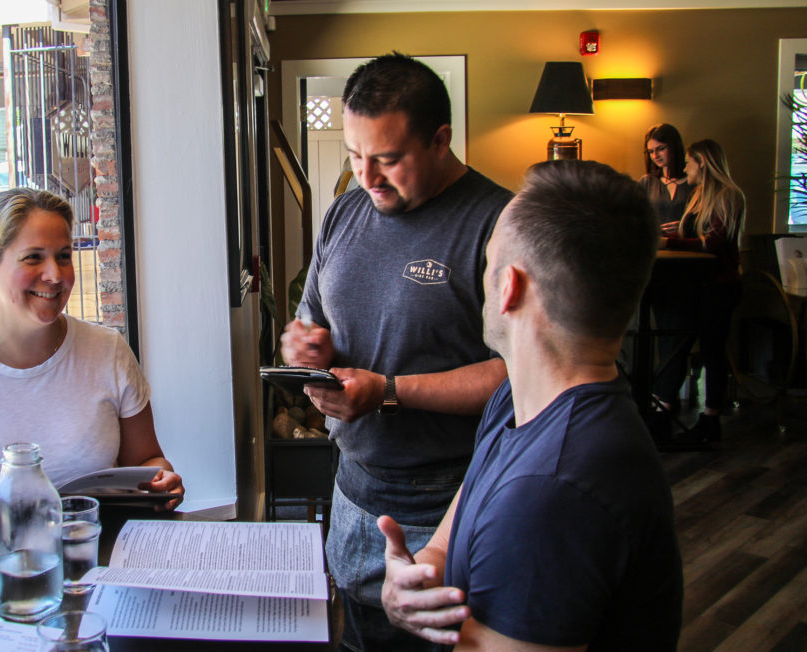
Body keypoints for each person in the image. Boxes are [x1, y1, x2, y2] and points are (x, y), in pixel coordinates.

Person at [379, 160, 683, 651]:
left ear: (509, 287)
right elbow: (444, 542)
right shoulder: (517, 401)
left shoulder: (553, 493)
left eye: (488, 260)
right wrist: (414, 578)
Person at [280, 53, 511, 652]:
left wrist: (387, 391)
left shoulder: (500, 224)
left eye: (387, 159)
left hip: (453, 504)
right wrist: (304, 344)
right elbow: (311, 321)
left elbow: (523, 375)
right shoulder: (345, 212)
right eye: (356, 157)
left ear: (441, 140)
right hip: (352, 490)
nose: (367, 176)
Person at [0, 188, 184, 510]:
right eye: (33, 257)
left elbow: (147, 459)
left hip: (95, 545)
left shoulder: (108, 352)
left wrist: (161, 479)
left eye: (63, 256)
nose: (55, 275)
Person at [652, 139, 745, 443]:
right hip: (696, 287)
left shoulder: (729, 196)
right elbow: (690, 234)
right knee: (683, 345)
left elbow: (712, 242)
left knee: (712, 351)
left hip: (719, 287)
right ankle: (666, 413)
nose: (684, 167)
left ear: (703, 163)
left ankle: (710, 421)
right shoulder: (698, 196)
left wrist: (670, 243)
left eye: (690, 162)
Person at [640, 123, 691, 226]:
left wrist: (683, 228)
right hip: (657, 240)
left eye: (661, 149)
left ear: (674, 147)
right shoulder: (647, 182)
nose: (655, 156)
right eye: (651, 151)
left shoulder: (694, 181)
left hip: (686, 240)